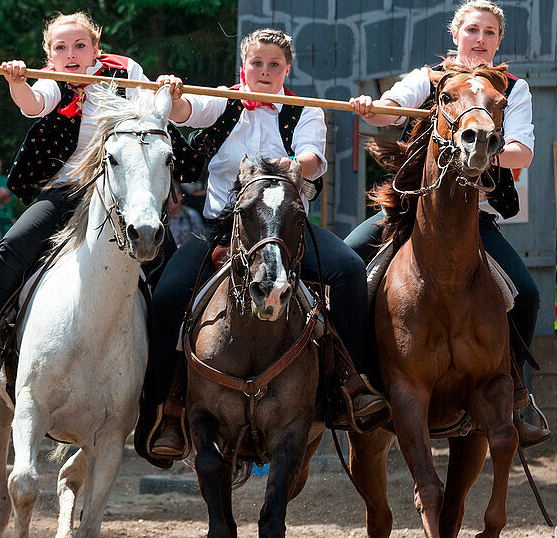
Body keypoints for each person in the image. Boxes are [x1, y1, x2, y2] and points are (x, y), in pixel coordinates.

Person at [138, 27, 387, 463]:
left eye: (275, 65)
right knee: (168, 295)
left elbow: (312, 158)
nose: (266, 71)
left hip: (285, 227)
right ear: (243, 66)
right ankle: (167, 407)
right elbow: (185, 110)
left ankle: (348, 382)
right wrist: (173, 94)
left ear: (287, 69)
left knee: (348, 270)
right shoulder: (221, 98)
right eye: (258, 63)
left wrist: (290, 165)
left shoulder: (304, 108)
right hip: (222, 227)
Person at [0, 11, 191, 403]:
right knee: (13, 245)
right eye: (61, 47)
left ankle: (173, 370)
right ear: (50, 55)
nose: (71, 53)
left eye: (80, 45)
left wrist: (167, 89)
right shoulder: (50, 80)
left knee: (169, 267)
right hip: (66, 192)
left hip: (123, 196)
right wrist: (17, 82)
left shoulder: (127, 71)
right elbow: (32, 103)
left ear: (96, 47)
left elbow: (157, 111)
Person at [346, 0, 548, 447]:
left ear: (499, 41)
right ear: (456, 36)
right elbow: (390, 110)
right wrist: (369, 107)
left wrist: (481, 146)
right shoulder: (431, 78)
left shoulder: (514, 89)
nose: (480, 40)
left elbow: (522, 153)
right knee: (345, 267)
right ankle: (352, 380)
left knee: (528, 294)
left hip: (476, 220)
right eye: (472, 31)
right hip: (414, 209)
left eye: (489, 33)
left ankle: (516, 394)